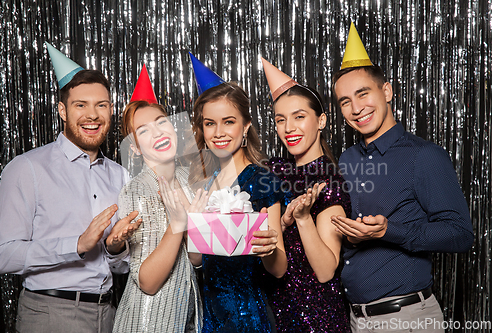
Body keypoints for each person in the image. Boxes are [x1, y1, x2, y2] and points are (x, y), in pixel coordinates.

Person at [330, 23, 474, 333]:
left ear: (387, 91)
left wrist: (388, 231)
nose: (356, 109)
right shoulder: (346, 160)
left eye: (363, 94)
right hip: (355, 319)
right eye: (344, 102)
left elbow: (460, 235)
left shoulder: (424, 156)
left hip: (407, 318)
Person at [0, 43, 141, 333]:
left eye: (101, 105)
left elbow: (124, 267)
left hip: (109, 314)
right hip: (49, 314)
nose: (92, 115)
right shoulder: (27, 168)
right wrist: (76, 245)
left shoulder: (120, 176)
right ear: (62, 110)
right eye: (80, 105)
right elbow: (2, 257)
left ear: (110, 110)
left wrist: (115, 248)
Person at [188, 53, 287, 333]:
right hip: (211, 318)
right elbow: (197, 261)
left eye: (228, 121)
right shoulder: (204, 184)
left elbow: (279, 269)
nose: (218, 132)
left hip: (249, 319)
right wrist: (191, 227)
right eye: (209, 123)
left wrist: (267, 249)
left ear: (245, 127)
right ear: (202, 129)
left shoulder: (262, 180)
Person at [261, 58, 352, 332]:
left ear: (321, 120)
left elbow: (326, 271)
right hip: (276, 314)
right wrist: (285, 223)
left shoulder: (328, 180)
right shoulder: (273, 170)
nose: (288, 128)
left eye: (299, 116)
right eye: (280, 120)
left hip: (318, 319)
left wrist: (302, 219)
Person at [112, 65, 206, 332]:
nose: (158, 133)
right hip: (147, 322)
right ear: (135, 148)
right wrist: (178, 225)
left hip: (185, 319)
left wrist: (196, 225)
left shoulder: (190, 177)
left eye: (162, 122)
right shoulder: (136, 191)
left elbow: (197, 260)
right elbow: (148, 282)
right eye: (143, 131)